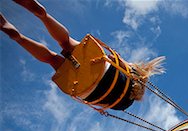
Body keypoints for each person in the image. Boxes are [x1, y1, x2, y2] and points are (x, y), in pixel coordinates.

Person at [1, 0, 164, 110]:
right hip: (84, 89)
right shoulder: (124, 104)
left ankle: (42, 14)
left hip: (101, 68)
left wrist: (118, 59)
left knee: (66, 42)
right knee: (52, 59)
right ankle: (18, 37)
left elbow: (115, 59)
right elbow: (102, 106)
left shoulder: (134, 76)